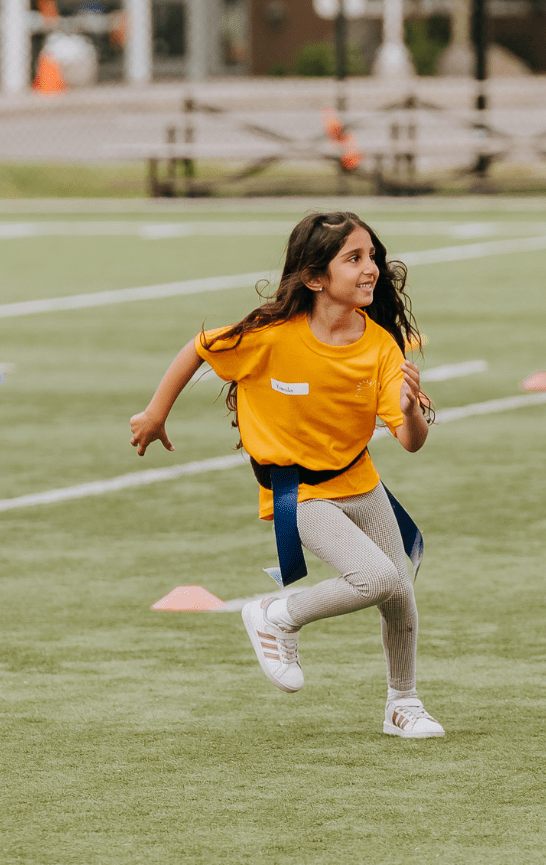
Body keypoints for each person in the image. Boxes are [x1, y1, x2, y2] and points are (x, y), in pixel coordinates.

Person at [129, 211, 444, 739]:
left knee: (399, 591)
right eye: (354, 258)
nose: (371, 269)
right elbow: (200, 348)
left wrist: (411, 408)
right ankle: (276, 613)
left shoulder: (382, 347)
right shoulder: (270, 336)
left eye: (372, 256)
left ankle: (402, 705)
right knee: (380, 578)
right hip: (299, 493)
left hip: (361, 482)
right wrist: (156, 412)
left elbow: (411, 442)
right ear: (316, 278)